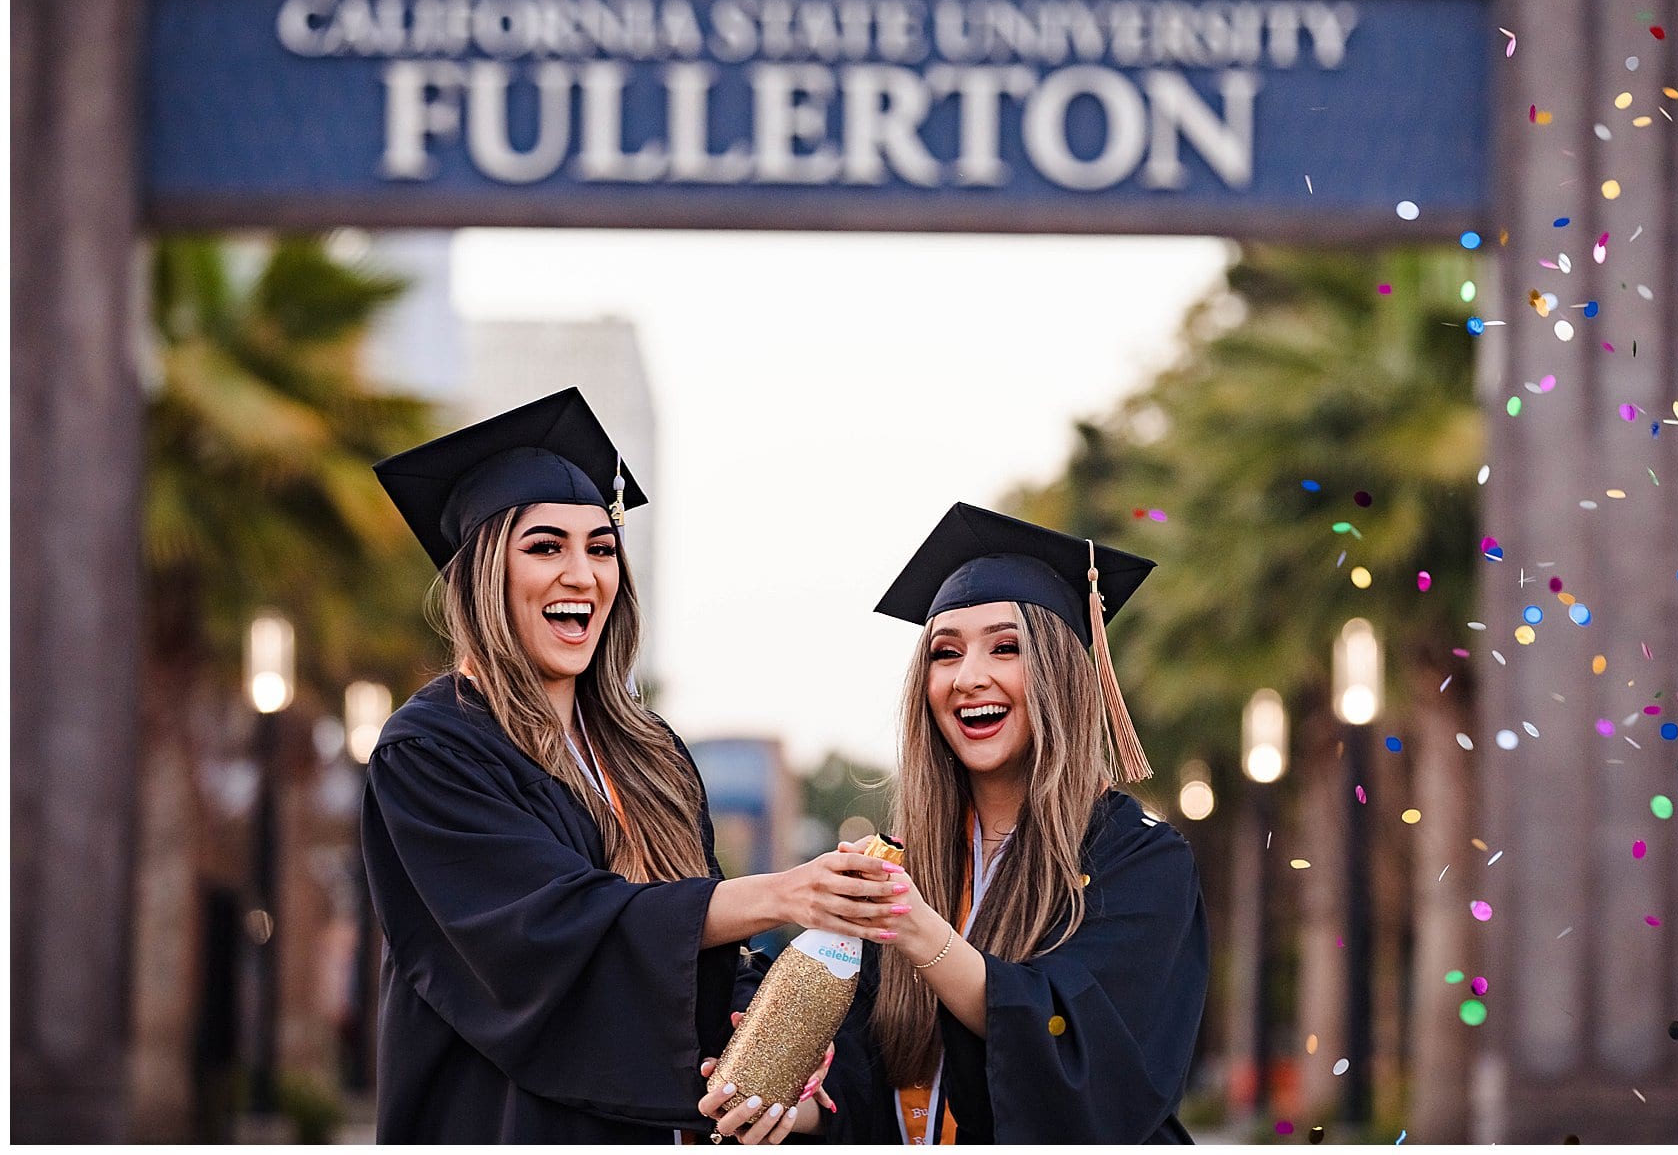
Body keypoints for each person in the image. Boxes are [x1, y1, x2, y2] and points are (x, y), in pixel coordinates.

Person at [363, 388, 901, 1142]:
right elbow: (548, 935)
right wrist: (782, 893)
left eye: (601, 547)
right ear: (484, 574)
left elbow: (699, 941)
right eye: (545, 546)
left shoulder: (649, 753)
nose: (583, 575)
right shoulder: (434, 750)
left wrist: (767, 1029)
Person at [699, 503, 1210, 1144]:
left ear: (1063, 674)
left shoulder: (1141, 862)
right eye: (946, 654)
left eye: (1005, 647)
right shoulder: (908, 868)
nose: (969, 678)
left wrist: (916, 928)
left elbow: (1089, 1066)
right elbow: (862, 1084)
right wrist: (786, 1111)